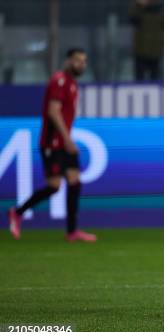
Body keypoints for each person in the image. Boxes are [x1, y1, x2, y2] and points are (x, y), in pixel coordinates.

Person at [7, 48, 97, 242]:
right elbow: (53, 111)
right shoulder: (59, 80)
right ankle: (17, 212)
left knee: (74, 181)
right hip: (53, 143)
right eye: (77, 60)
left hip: (63, 142)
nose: (81, 64)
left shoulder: (72, 84)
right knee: (54, 186)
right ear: (67, 61)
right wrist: (67, 139)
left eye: (84, 61)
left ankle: (72, 231)